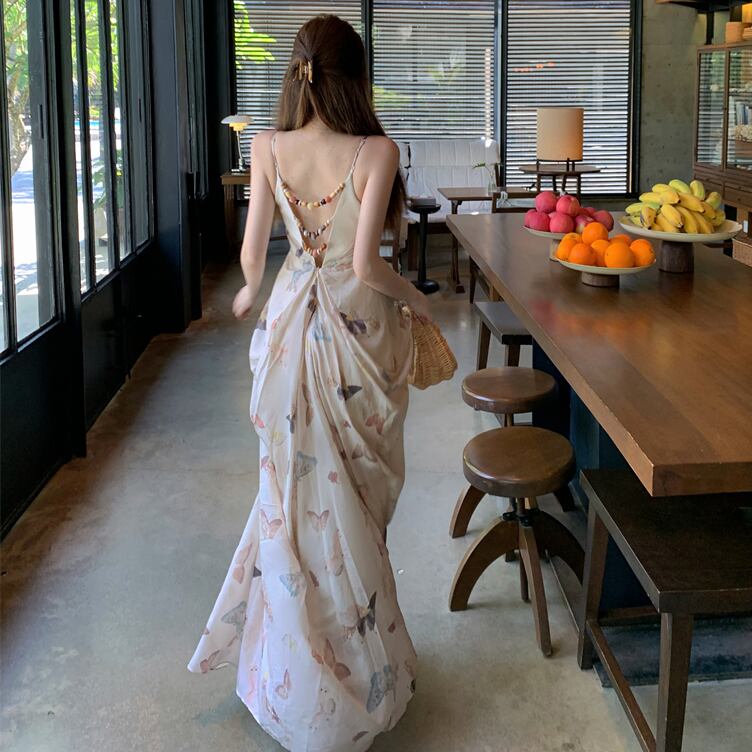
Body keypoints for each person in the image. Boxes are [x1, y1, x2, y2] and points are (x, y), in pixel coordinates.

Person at [187, 14, 432, 752]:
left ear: (297, 74)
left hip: (289, 329)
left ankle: (290, 678)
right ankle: (362, 669)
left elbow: (253, 250)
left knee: (290, 504)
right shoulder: (377, 150)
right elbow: (366, 266)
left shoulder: (266, 146)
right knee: (356, 499)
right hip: (357, 335)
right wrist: (419, 300)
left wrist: (247, 291)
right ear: (356, 78)